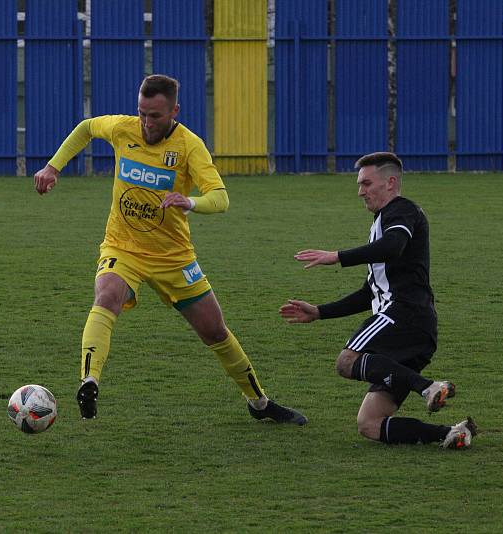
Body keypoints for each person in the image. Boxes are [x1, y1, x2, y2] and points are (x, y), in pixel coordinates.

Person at [34, 74, 306, 424]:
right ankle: (89, 381)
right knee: (106, 296)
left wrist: (189, 202)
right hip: (124, 246)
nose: (147, 123)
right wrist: (52, 166)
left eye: (156, 116)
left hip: (174, 258)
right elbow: (87, 127)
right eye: (142, 113)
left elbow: (220, 198)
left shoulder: (190, 146)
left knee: (215, 332)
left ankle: (259, 403)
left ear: (175, 110)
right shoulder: (122, 129)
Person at [279, 152, 476, 448]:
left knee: (347, 362)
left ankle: (428, 387)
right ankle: (452, 433)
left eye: (366, 183)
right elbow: (370, 292)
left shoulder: (402, 210)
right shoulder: (381, 223)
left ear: (390, 182)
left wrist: (338, 256)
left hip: (404, 316)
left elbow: (394, 246)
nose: (360, 191)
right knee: (369, 424)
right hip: (415, 329)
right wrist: (319, 312)